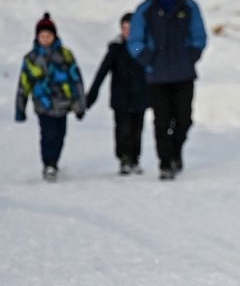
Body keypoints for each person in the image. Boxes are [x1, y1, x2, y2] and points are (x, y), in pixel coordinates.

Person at [128, 0, 207, 181]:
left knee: (184, 119)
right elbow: (134, 41)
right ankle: (165, 162)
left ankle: (175, 151)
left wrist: (192, 54)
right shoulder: (145, 10)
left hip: (183, 73)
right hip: (157, 75)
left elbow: (199, 36)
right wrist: (146, 57)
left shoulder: (188, 6)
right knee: (162, 121)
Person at [14, 12, 86, 182]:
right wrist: (20, 108)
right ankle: (49, 164)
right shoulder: (31, 58)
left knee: (60, 135)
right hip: (44, 101)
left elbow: (76, 80)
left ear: (54, 36)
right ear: (37, 37)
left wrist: (80, 104)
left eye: (48, 36)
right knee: (48, 134)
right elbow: (24, 84)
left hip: (63, 102)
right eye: (42, 36)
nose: (45, 39)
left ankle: (54, 161)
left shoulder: (65, 55)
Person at [86, 12, 151, 175]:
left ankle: (135, 159)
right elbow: (102, 72)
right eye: (125, 28)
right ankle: (124, 158)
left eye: (131, 28)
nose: (127, 31)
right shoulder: (116, 49)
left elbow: (150, 66)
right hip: (120, 98)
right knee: (123, 130)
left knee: (137, 130)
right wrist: (92, 95)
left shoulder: (140, 47)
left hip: (140, 97)